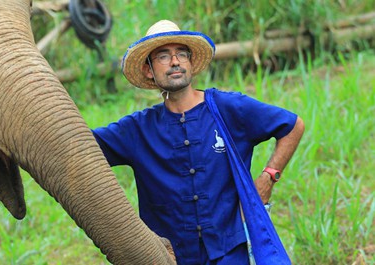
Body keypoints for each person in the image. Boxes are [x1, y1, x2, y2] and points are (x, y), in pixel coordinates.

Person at [91, 20, 305, 265]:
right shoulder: (138, 129)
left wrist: (268, 178)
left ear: (191, 63)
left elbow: (293, 126)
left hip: (229, 250)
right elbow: (78, 145)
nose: (175, 62)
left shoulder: (229, 108)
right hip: (171, 257)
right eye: (163, 56)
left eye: (181, 54)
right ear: (149, 70)